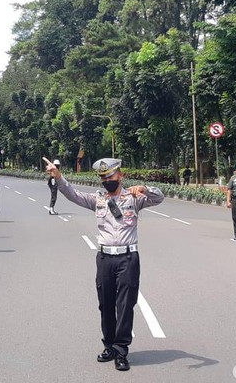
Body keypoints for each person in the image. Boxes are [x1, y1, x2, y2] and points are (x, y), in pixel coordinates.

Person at [44, 157, 164, 372]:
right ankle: (109, 345)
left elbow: (159, 198)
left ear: (120, 175)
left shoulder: (134, 198)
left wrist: (144, 188)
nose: (106, 180)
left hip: (128, 258)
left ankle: (121, 350)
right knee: (105, 303)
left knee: (125, 305)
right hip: (105, 258)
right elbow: (73, 195)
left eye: (110, 176)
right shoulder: (97, 199)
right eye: (103, 177)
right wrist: (59, 177)